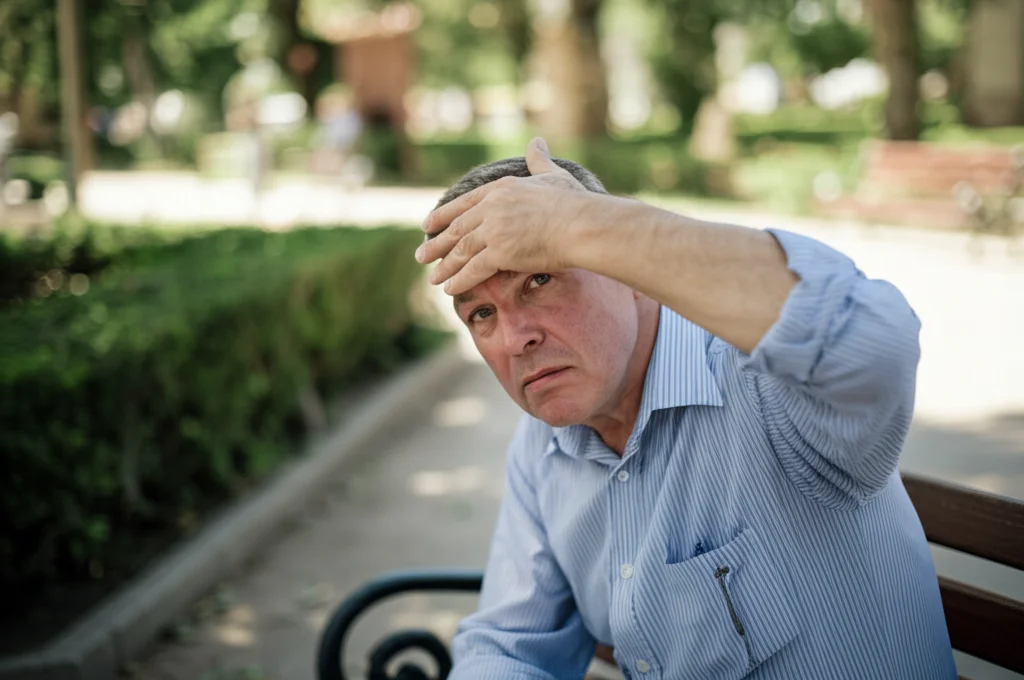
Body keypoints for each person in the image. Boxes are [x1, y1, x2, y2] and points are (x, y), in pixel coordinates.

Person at [414, 138, 956, 680]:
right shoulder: (544, 445)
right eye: (481, 313)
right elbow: (509, 644)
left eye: (539, 278)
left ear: (626, 273)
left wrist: (585, 224)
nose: (515, 340)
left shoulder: (761, 381)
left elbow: (873, 341)